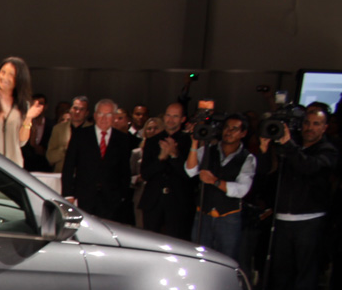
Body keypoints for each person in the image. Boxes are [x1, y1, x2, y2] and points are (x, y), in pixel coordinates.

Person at [263, 105, 339, 290]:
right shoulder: (290, 145)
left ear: (324, 127)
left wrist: (288, 145)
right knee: (281, 270)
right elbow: (270, 173)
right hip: (283, 218)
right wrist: (268, 149)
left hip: (310, 220)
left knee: (306, 272)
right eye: (307, 122)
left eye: (316, 124)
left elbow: (308, 166)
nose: (310, 127)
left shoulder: (328, 150)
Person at [185, 114, 256, 260]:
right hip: (204, 214)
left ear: (243, 133)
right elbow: (190, 170)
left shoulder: (247, 158)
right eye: (227, 127)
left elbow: (242, 189)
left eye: (234, 129)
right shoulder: (208, 150)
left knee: (225, 258)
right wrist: (194, 143)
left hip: (228, 217)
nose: (229, 132)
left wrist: (215, 181)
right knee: (198, 255)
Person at [62, 98, 136, 222]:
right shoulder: (81, 135)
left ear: (114, 117)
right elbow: (69, 166)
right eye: (101, 114)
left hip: (111, 200)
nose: (104, 118)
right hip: (84, 196)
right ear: (95, 115)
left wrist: (122, 195)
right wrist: (68, 194)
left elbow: (124, 170)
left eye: (108, 115)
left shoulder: (122, 139)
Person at [0, 56, 44, 165]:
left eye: (11, 75)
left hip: (12, 166)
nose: (4, 77)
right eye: (3, 72)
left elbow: (21, 142)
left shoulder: (23, 104)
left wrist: (28, 118)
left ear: (19, 79)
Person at [139, 102, 195, 240]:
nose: (170, 119)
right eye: (168, 115)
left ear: (183, 119)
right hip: (153, 201)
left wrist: (175, 156)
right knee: (149, 240)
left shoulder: (189, 142)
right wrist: (161, 158)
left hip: (178, 202)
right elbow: (145, 174)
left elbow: (191, 177)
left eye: (175, 116)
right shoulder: (152, 141)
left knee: (176, 241)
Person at [46, 95, 90, 171]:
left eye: (82, 109)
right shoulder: (58, 129)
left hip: (84, 173)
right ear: (70, 110)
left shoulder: (92, 129)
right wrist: (65, 149)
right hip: (61, 172)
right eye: (75, 108)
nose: (77, 112)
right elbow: (50, 157)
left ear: (87, 113)